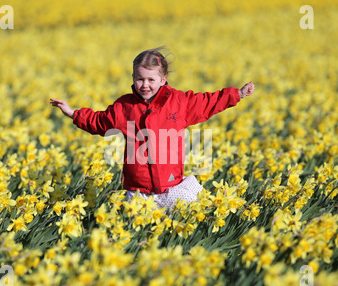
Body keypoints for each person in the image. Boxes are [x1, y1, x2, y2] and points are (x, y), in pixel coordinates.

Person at [50, 47, 254, 209]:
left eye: (151, 80)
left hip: (172, 185)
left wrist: (237, 94)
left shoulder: (179, 102)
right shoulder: (124, 106)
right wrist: (73, 113)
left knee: (187, 223)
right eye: (139, 79)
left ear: (163, 80)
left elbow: (207, 102)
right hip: (138, 190)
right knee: (140, 233)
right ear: (132, 78)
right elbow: (100, 122)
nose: (145, 85)